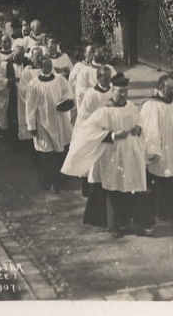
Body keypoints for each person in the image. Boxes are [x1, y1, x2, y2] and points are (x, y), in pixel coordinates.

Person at [61, 72, 155, 238]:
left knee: (131, 187)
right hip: (113, 155)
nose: (124, 94)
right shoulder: (105, 111)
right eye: (120, 91)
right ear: (112, 91)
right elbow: (87, 130)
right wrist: (112, 135)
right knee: (114, 189)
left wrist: (138, 129)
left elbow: (139, 121)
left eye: (126, 91)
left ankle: (132, 222)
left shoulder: (131, 107)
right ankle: (114, 225)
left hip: (130, 154)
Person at [141, 75, 173, 220]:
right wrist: (153, 150)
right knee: (161, 176)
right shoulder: (151, 105)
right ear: (161, 88)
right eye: (170, 88)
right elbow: (148, 129)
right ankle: (161, 212)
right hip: (161, 147)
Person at [26, 57, 75, 193]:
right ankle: (50, 181)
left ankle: (59, 178)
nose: (47, 66)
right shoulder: (34, 84)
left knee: (60, 150)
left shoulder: (59, 80)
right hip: (42, 122)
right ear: (41, 66)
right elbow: (30, 106)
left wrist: (66, 103)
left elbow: (68, 94)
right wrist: (31, 125)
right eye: (45, 65)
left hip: (59, 120)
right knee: (47, 153)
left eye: (49, 64)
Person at [74, 65, 114, 227]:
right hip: (97, 139)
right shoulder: (91, 95)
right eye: (105, 77)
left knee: (111, 177)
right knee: (97, 177)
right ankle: (97, 218)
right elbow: (83, 118)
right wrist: (97, 129)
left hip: (111, 139)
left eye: (109, 77)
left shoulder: (113, 91)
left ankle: (112, 217)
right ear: (98, 78)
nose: (108, 80)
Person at [0, 45, 26, 147]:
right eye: (17, 56)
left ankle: (24, 142)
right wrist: (9, 81)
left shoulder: (26, 63)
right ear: (13, 53)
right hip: (12, 95)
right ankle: (13, 142)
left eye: (21, 56)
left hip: (24, 97)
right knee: (12, 117)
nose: (19, 59)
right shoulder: (5, 65)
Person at [74, 43, 117, 111]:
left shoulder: (109, 69)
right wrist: (97, 91)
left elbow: (117, 84)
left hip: (107, 104)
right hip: (91, 104)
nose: (102, 55)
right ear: (92, 54)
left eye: (102, 53)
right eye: (99, 53)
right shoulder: (85, 71)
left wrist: (107, 89)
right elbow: (80, 90)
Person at [18, 48, 45, 150]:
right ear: (32, 57)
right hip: (33, 105)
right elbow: (23, 89)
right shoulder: (27, 71)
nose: (39, 58)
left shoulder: (46, 68)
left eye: (41, 55)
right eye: (37, 56)